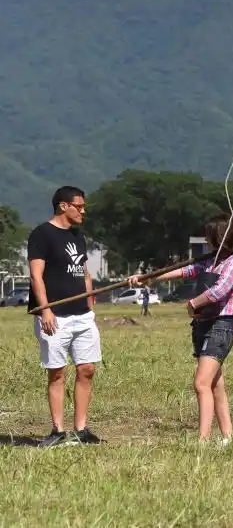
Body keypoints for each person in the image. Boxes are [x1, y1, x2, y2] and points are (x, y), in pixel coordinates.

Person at [128, 213, 233, 444]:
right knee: (214, 384)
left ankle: (202, 441)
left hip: (221, 325)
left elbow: (219, 290)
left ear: (218, 238)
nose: (205, 241)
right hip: (202, 324)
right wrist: (151, 278)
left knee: (201, 383)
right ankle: (228, 438)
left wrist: (193, 303)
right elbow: (188, 270)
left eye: (208, 237)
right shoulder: (213, 259)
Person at [27, 186, 102, 447]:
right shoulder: (41, 235)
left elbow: (84, 272)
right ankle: (57, 431)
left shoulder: (77, 235)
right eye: (79, 206)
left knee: (87, 369)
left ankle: (81, 429)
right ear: (63, 206)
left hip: (82, 315)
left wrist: (90, 301)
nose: (84, 211)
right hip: (55, 316)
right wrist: (45, 310)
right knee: (57, 373)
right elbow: (36, 275)